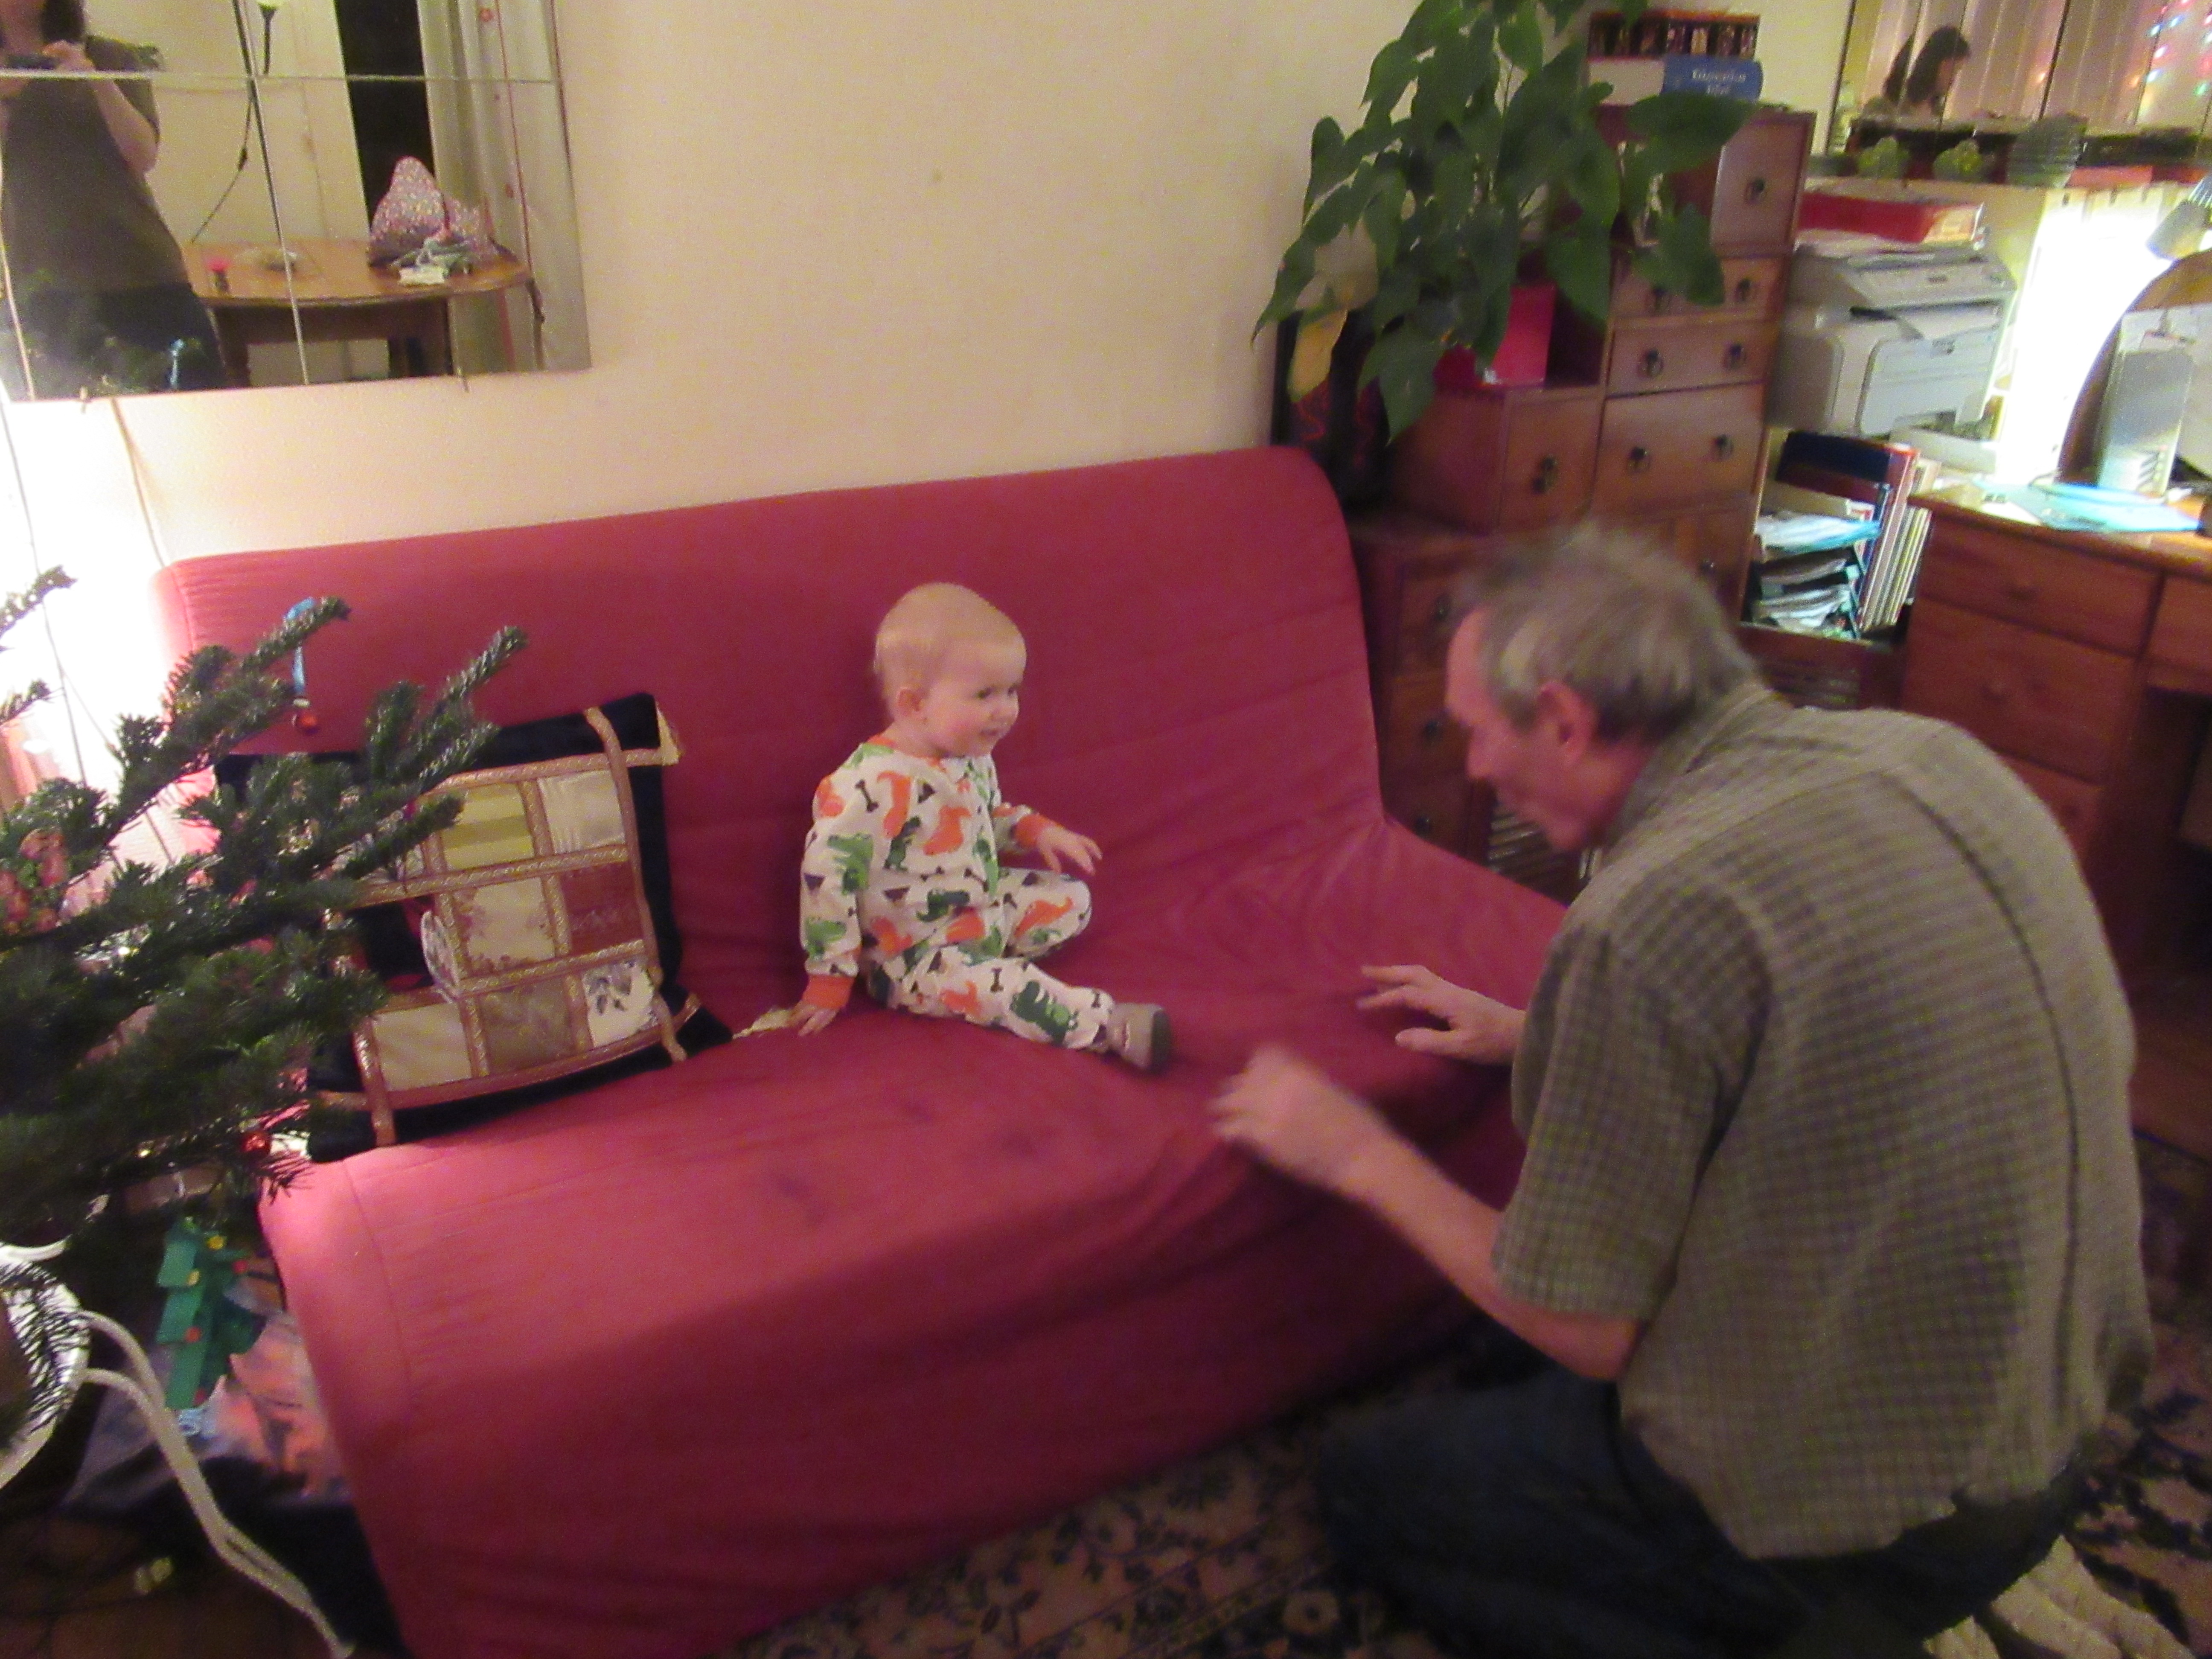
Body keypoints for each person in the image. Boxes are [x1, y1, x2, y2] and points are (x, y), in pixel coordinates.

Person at [1210, 536, 2151, 1658]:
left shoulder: (1648, 917)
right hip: (2051, 1429)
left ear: (1565, 721)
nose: (1472, 766)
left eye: (1477, 728)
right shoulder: (1939, 757)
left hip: (1875, 1526)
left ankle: (1827, 1633)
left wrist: (1353, 1152)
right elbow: (1827, 1030)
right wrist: (1539, 1032)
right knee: (1500, 1364)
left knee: (1372, 1485)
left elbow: (1587, 1329)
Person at [793, 582, 1170, 1071]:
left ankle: (983, 963)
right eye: (985, 694)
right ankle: (1109, 1026)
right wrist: (830, 976)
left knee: (1073, 899)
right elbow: (827, 877)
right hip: (915, 953)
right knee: (1005, 989)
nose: (1006, 709)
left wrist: (1036, 831)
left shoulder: (969, 755)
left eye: (1012, 691)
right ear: (915, 704)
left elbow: (987, 818)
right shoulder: (869, 785)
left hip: (979, 909)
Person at [0, 0, 224, 396]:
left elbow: (143, 155)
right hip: (42, 281)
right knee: (66, 424)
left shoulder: (110, 56)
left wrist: (96, 80)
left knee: (195, 408)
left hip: (138, 267)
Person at [1863, 26, 1972, 119]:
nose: (1952, 80)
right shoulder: (1882, 108)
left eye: (1956, 72)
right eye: (1951, 70)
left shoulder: (1937, 115)